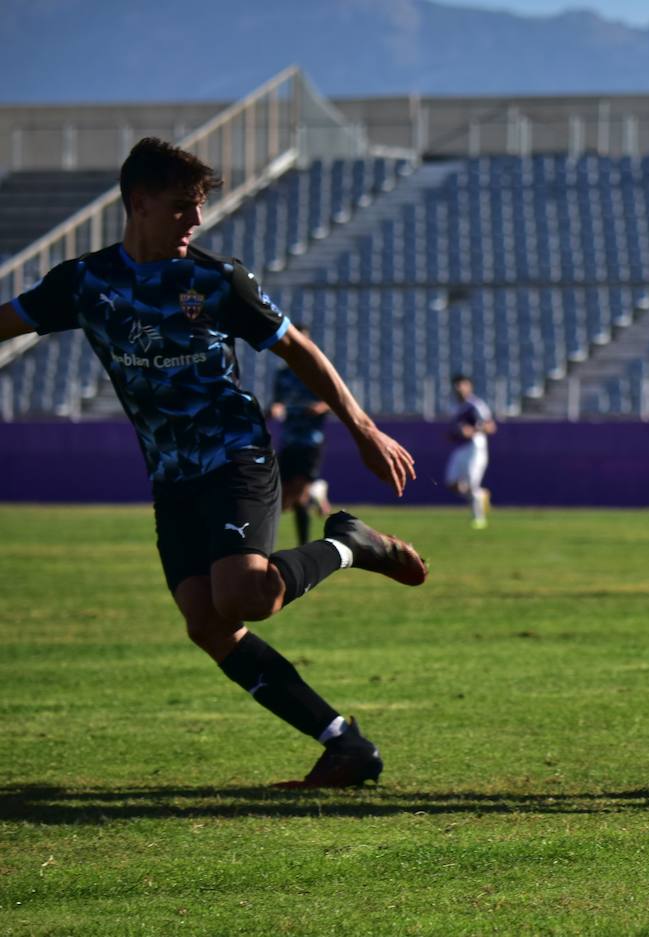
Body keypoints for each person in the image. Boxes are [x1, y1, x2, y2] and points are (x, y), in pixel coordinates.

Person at [0, 138, 428, 788]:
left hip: (236, 455)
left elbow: (298, 348)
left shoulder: (215, 279)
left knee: (245, 595)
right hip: (172, 478)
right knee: (207, 624)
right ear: (137, 203)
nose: (196, 222)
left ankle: (347, 544)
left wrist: (363, 427)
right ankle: (344, 743)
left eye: (199, 207)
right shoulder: (85, 285)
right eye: (181, 207)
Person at [269, 324, 330, 546]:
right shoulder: (282, 375)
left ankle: (303, 544)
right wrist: (274, 408)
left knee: (299, 494)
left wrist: (320, 407)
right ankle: (316, 491)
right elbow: (276, 401)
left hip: (310, 440)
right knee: (286, 500)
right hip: (289, 439)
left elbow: (334, 400)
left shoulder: (317, 370)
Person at [444, 373, 496, 529]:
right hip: (460, 448)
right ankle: (481, 496)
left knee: (472, 484)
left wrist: (473, 430)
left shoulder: (476, 405)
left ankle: (478, 519)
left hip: (475, 447)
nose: (459, 388)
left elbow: (490, 426)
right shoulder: (454, 406)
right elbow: (454, 430)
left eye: (463, 384)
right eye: (457, 384)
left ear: (470, 386)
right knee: (452, 483)